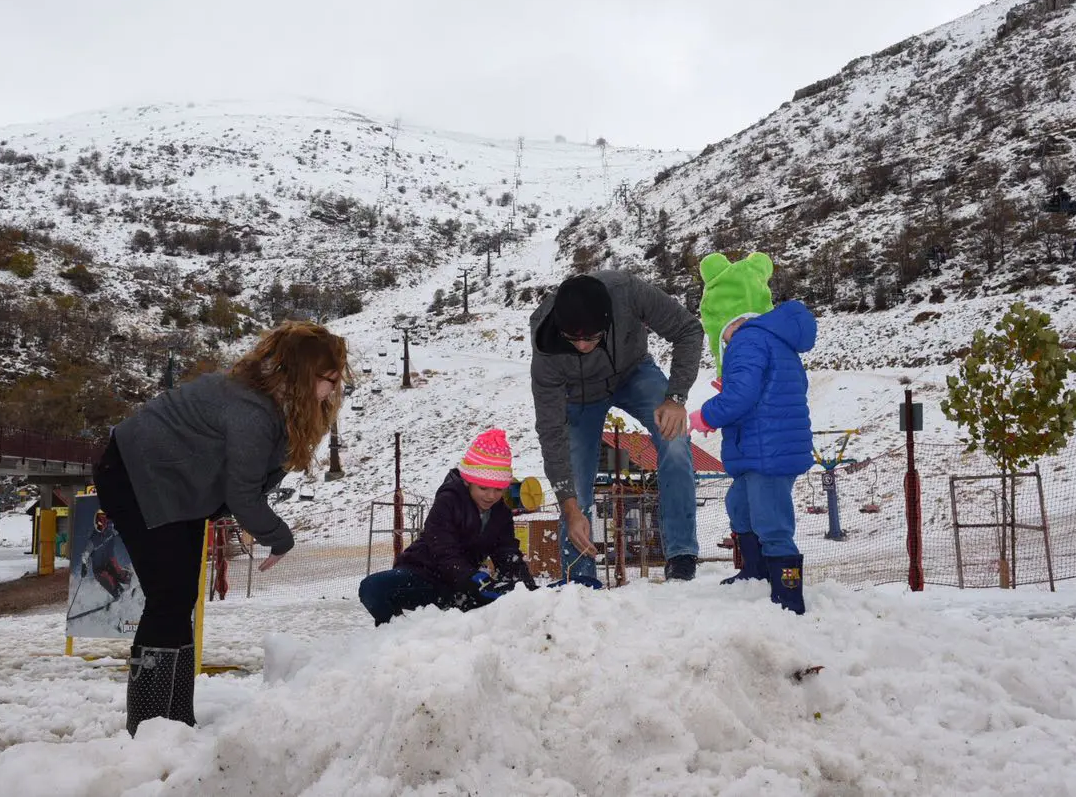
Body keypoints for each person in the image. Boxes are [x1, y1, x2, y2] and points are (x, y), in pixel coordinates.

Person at [93, 321, 351, 736]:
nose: (335, 389)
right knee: (169, 598)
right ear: (305, 376)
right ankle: (148, 727)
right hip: (138, 477)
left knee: (178, 598)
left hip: (177, 487)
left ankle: (174, 721)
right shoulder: (252, 411)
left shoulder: (269, 402)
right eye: (330, 379)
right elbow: (244, 494)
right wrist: (280, 538)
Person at [530, 271, 703, 582]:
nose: (582, 346)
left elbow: (688, 329)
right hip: (579, 396)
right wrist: (569, 506)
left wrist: (676, 397)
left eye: (592, 337)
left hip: (633, 373)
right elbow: (551, 431)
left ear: (608, 320)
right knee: (576, 483)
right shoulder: (546, 348)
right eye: (573, 339)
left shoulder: (628, 292)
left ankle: (681, 555)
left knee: (675, 441)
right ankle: (579, 576)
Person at [689, 252, 816, 614]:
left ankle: (788, 594)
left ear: (729, 319)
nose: (720, 340)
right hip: (766, 444)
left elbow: (742, 397)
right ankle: (756, 570)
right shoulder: (770, 341)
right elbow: (766, 390)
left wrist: (707, 415)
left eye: (718, 331)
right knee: (740, 505)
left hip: (768, 450)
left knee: (771, 520)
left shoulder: (746, 342)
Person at [358, 429, 536, 625]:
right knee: (372, 587)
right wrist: (471, 577)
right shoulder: (448, 500)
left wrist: (527, 589)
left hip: (461, 587)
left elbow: (507, 553)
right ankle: (397, 634)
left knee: (504, 600)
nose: (491, 496)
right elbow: (443, 549)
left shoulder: (501, 512)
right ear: (468, 482)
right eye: (483, 488)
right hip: (423, 575)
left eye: (498, 489)